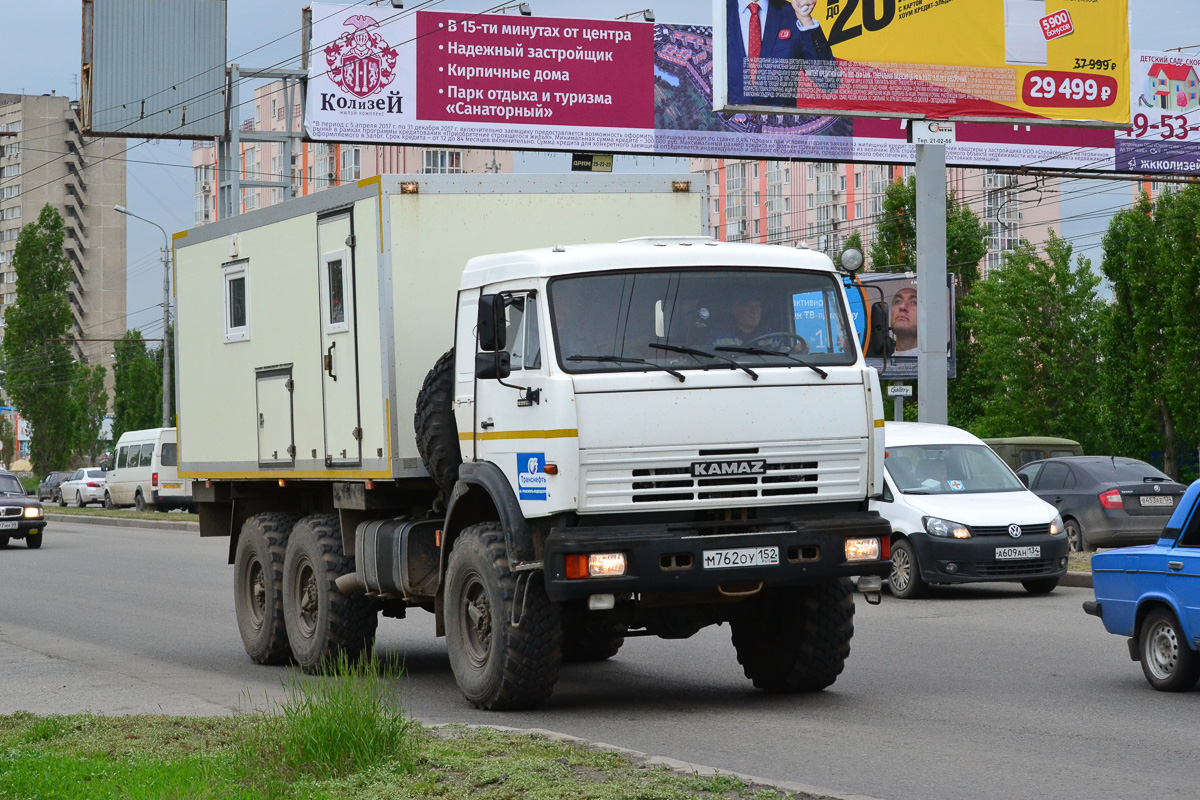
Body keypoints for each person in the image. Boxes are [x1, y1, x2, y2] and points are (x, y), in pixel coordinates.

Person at [726, 0, 841, 107]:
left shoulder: (793, 14)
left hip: (777, 125)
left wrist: (806, 21)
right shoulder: (719, 11)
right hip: (722, 124)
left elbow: (829, 81)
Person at [711, 291, 808, 353]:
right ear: (735, 310)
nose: (755, 311)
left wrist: (796, 350)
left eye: (758, 307)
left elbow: (785, 355)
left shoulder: (773, 337)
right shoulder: (719, 338)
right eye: (749, 307)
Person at [890, 287, 918, 356]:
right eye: (898, 302)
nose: (902, 307)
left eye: (914, 302)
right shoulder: (880, 364)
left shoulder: (940, 363)